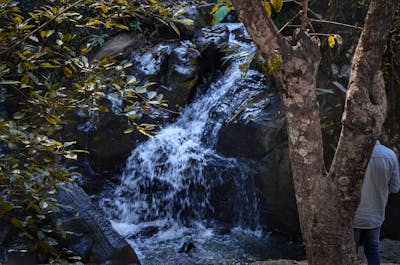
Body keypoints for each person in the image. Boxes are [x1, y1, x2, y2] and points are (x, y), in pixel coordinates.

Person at [353, 140, 400, 265]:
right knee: (373, 249)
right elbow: (395, 187)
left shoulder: (352, 154)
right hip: (376, 212)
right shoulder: (390, 154)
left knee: (351, 251)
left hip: (353, 214)